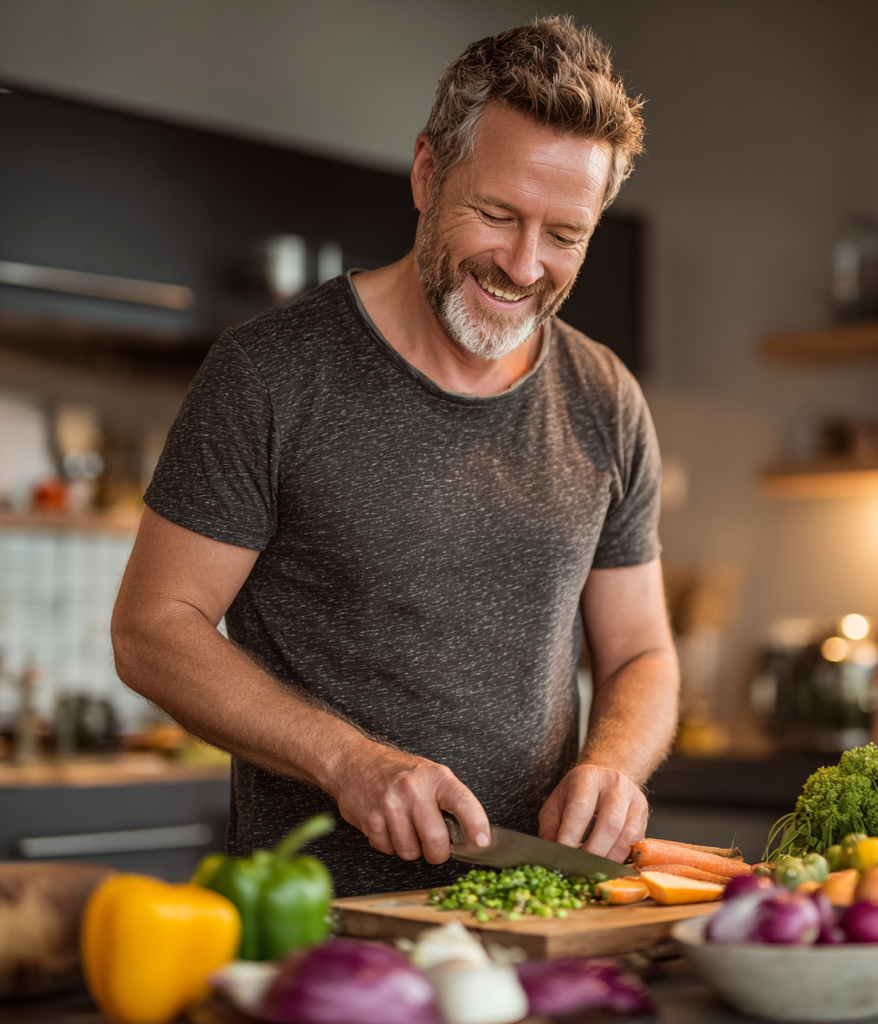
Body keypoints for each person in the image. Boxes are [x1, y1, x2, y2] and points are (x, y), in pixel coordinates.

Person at [111, 16, 679, 897]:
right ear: (427, 174)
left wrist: (614, 766)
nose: (524, 265)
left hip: (534, 912)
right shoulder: (271, 373)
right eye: (496, 214)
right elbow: (153, 629)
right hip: (318, 920)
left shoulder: (606, 400)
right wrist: (349, 763)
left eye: (565, 234)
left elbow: (641, 651)